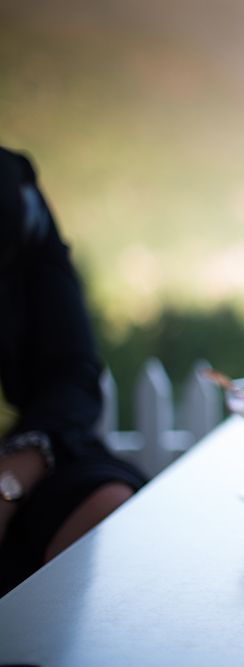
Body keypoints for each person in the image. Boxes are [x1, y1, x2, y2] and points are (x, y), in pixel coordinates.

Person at [0, 147, 145, 596]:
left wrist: (9, 481)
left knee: (109, 510)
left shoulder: (13, 194)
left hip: (27, 449)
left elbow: (72, 372)